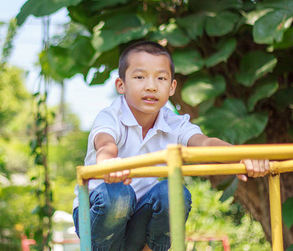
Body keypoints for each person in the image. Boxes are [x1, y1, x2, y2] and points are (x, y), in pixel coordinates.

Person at [72, 41, 269, 251]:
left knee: (173, 192)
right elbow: (105, 143)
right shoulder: (111, 116)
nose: (151, 86)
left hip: (139, 215)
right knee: (120, 194)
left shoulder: (175, 123)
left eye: (161, 78)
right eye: (140, 77)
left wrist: (241, 156)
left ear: (172, 87)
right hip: (100, 214)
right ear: (121, 85)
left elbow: (204, 143)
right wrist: (108, 164)